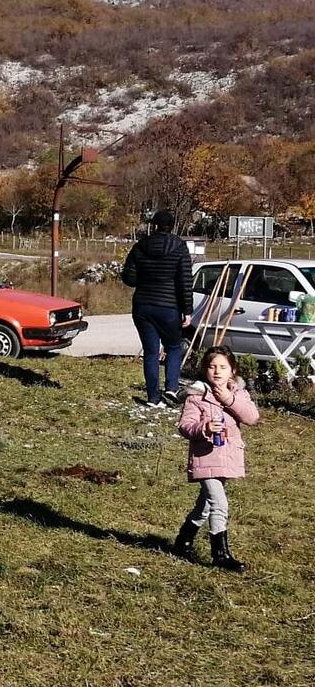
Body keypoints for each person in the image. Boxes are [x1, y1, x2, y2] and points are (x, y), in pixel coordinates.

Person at [173, 347, 259, 572]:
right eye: (212, 367)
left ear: (232, 371)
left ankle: (183, 540)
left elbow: (252, 417)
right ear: (205, 370)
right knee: (219, 503)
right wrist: (205, 428)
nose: (217, 372)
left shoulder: (238, 393)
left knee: (204, 506)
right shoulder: (196, 396)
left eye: (223, 367)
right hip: (205, 457)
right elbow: (185, 426)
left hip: (227, 457)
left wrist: (229, 400)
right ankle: (220, 554)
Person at [121, 210, 193, 408]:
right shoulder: (179, 247)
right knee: (174, 347)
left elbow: (129, 278)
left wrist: (145, 278)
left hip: (142, 305)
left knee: (151, 352)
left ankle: (153, 398)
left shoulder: (140, 246)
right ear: (173, 225)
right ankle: (171, 387)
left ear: (153, 225)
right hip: (169, 306)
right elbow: (185, 281)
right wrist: (187, 310)